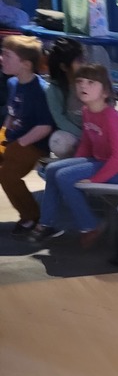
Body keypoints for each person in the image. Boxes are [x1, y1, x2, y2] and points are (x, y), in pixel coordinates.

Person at [29, 63, 118, 248]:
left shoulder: (111, 118)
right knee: (53, 169)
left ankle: (89, 225)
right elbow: (87, 141)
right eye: (79, 81)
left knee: (64, 176)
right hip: (101, 162)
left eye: (91, 82)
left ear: (105, 92)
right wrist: (74, 162)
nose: (83, 86)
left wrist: (95, 179)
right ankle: (47, 223)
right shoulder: (88, 111)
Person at [0, 34, 54, 238]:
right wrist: (3, 135)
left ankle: (31, 215)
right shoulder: (13, 83)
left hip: (33, 144)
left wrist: (18, 143)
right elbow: (12, 114)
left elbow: (45, 126)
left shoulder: (40, 90)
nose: (1, 58)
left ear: (25, 64)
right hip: (13, 138)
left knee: (7, 175)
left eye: (7, 55)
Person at [45, 37, 85, 159]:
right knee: (59, 141)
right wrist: (83, 136)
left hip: (96, 130)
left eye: (83, 60)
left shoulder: (89, 81)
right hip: (74, 133)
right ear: (64, 67)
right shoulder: (54, 89)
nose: (84, 64)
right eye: (79, 61)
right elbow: (60, 119)